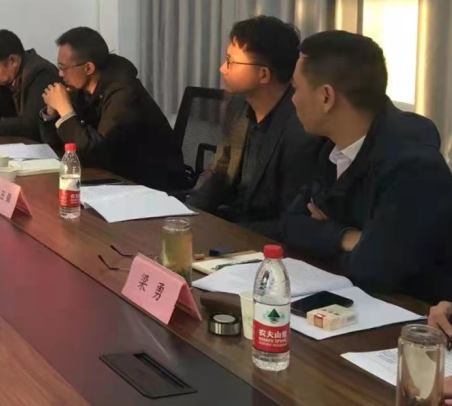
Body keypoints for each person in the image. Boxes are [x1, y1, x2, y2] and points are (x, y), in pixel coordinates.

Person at [281, 31, 452, 301]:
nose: (292, 99)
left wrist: (332, 237)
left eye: (296, 88)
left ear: (326, 97)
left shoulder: (414, 167)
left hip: (409, 314)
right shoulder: (330, 145)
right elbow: (291, 224)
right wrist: (346, 236)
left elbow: (372, 270)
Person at [187, 16, 325, 235]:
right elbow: (220, 170)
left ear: (263, 74)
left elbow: (291, 218)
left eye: (231, 61)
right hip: (230, 225)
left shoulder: (302, 128)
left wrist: (229, 232)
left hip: (264, 239)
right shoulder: (237, 104)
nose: (222, 68)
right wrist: (187, 214)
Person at [39, 27, 189, 191]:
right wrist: (52, 113)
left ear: (88, 68)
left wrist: (65, 110)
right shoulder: (81, 90)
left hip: (151, 184)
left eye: (64, 68)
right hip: (112, 177)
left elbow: (96, 153)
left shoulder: (124, 92)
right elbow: (62, 148)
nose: (60, 74)